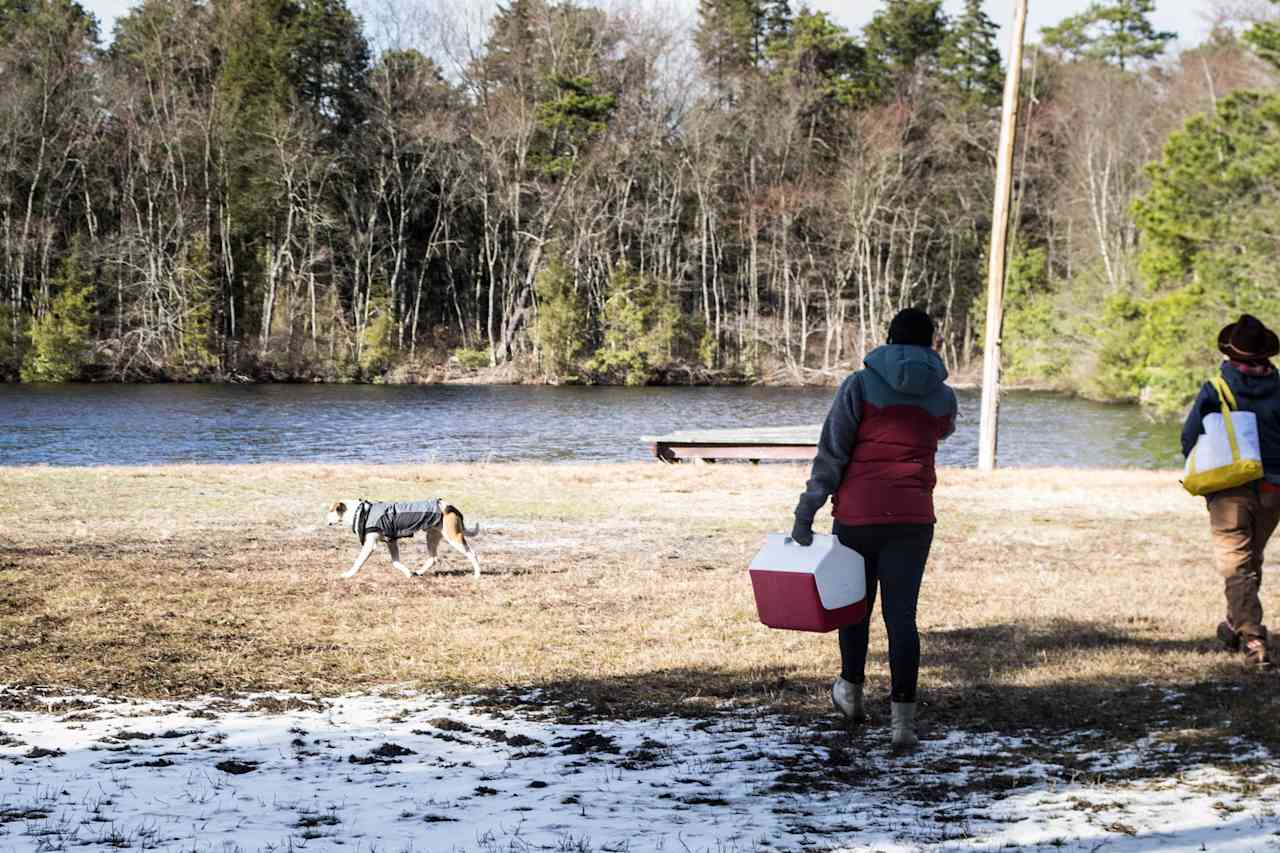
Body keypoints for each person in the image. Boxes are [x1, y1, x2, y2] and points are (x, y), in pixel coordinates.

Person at [791, 307, 957, 750]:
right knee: (902, 617)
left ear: (888, 339)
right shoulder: (943, 396)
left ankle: (851, 692)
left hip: (858, 516)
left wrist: (806, 511)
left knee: (854, 607)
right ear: (930, 345)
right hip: (913, 518)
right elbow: (942, 432)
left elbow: (832, 453)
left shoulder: (859, 385)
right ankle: (903, 722)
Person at [1181, 313, 1280, 669]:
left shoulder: (1217, 388)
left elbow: (1189, 439)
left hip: (1229, 489)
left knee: (1236, 565)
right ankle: (1232, 626)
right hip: (1273, 490)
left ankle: (1252, 638)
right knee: (1249, 560)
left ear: (1231, 354)